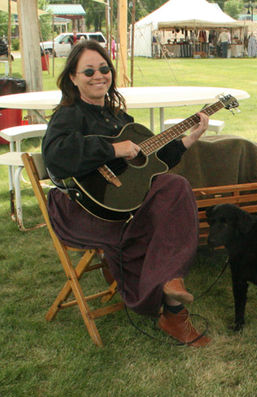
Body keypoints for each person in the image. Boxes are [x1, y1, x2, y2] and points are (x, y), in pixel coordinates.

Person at [41, 40, 211, 347]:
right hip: (79, 208)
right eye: (88, 70)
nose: (98, 75)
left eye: (104, 69)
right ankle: (172, 309)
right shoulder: (69, 114)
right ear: (73, 78)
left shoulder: (118, 118)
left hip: (122, 203)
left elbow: (150, 165)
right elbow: (56, 155)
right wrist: (111, 149)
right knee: (148, 225)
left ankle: (171, 283)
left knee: (175, 187)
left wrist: (189, 139)